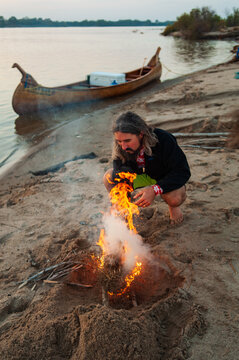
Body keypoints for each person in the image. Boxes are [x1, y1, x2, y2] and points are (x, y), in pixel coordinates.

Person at [103, 111, 191, 224]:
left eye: (127, 141)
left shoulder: (163, 139)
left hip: (163, 176)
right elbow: (118, 171)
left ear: (141, 134)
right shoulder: (120, 147)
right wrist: (123, 197)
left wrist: (154, 190)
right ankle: (123, 212)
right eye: (119, 141)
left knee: (174, 198)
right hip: (140, 175)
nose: (123, 146)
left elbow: (182, 171)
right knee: (108, 178)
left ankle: (173, 207)